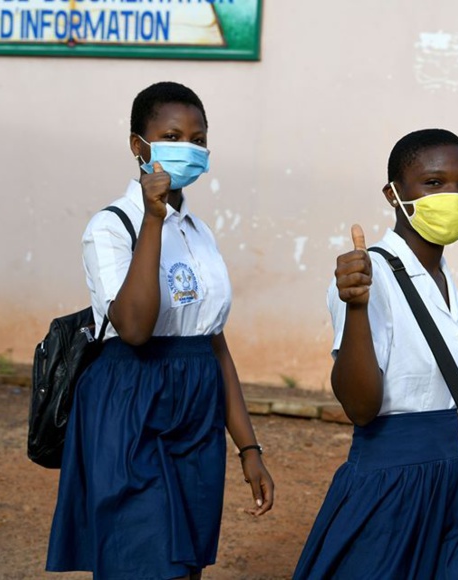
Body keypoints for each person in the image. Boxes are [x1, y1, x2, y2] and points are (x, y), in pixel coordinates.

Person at [46, 81, 274, 580]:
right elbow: (133, 328)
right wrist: (152, 221)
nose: (187, 148)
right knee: (141, 558)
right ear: (139, 145)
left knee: (187, 563)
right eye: (172, 136)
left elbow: (214, 343)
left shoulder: (199, 231)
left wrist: (249, 448)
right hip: (132, 403)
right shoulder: (111, 226)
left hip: (196, 411)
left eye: (198, 139)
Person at [293, 129, 458, 579]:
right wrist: (356, 308)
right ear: (393, 193)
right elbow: (360, 407)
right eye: (434, 182)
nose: (453, 195)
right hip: (389, 487)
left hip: (452, 483)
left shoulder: (443, 277)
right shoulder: (369, 276)